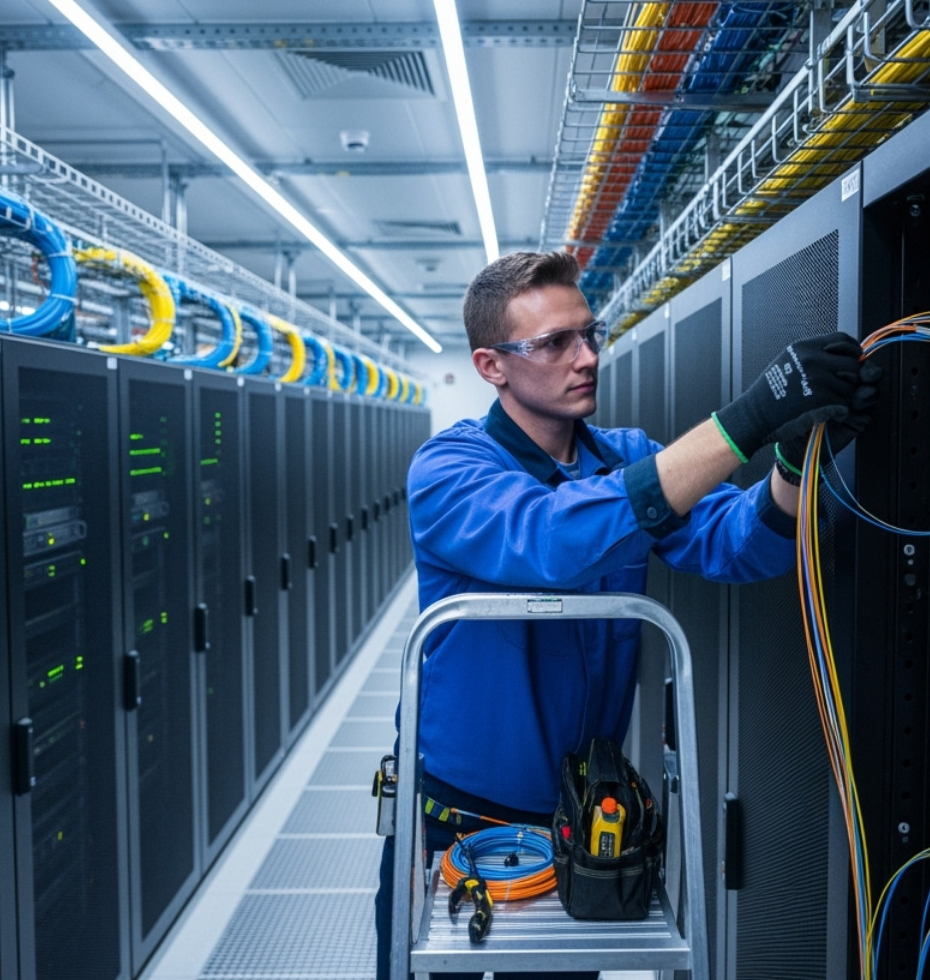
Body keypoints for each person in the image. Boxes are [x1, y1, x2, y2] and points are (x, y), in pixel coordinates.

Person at [374, 251, 880, 980]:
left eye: (589, 334)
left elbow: (739, 545)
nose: (585, 358)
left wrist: (794, 460)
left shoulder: (626, 458)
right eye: (554, 344)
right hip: (457, 816)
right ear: (491, 366)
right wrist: (744, 419)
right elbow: (550, 542)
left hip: (580, 812)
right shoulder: (449, 470)